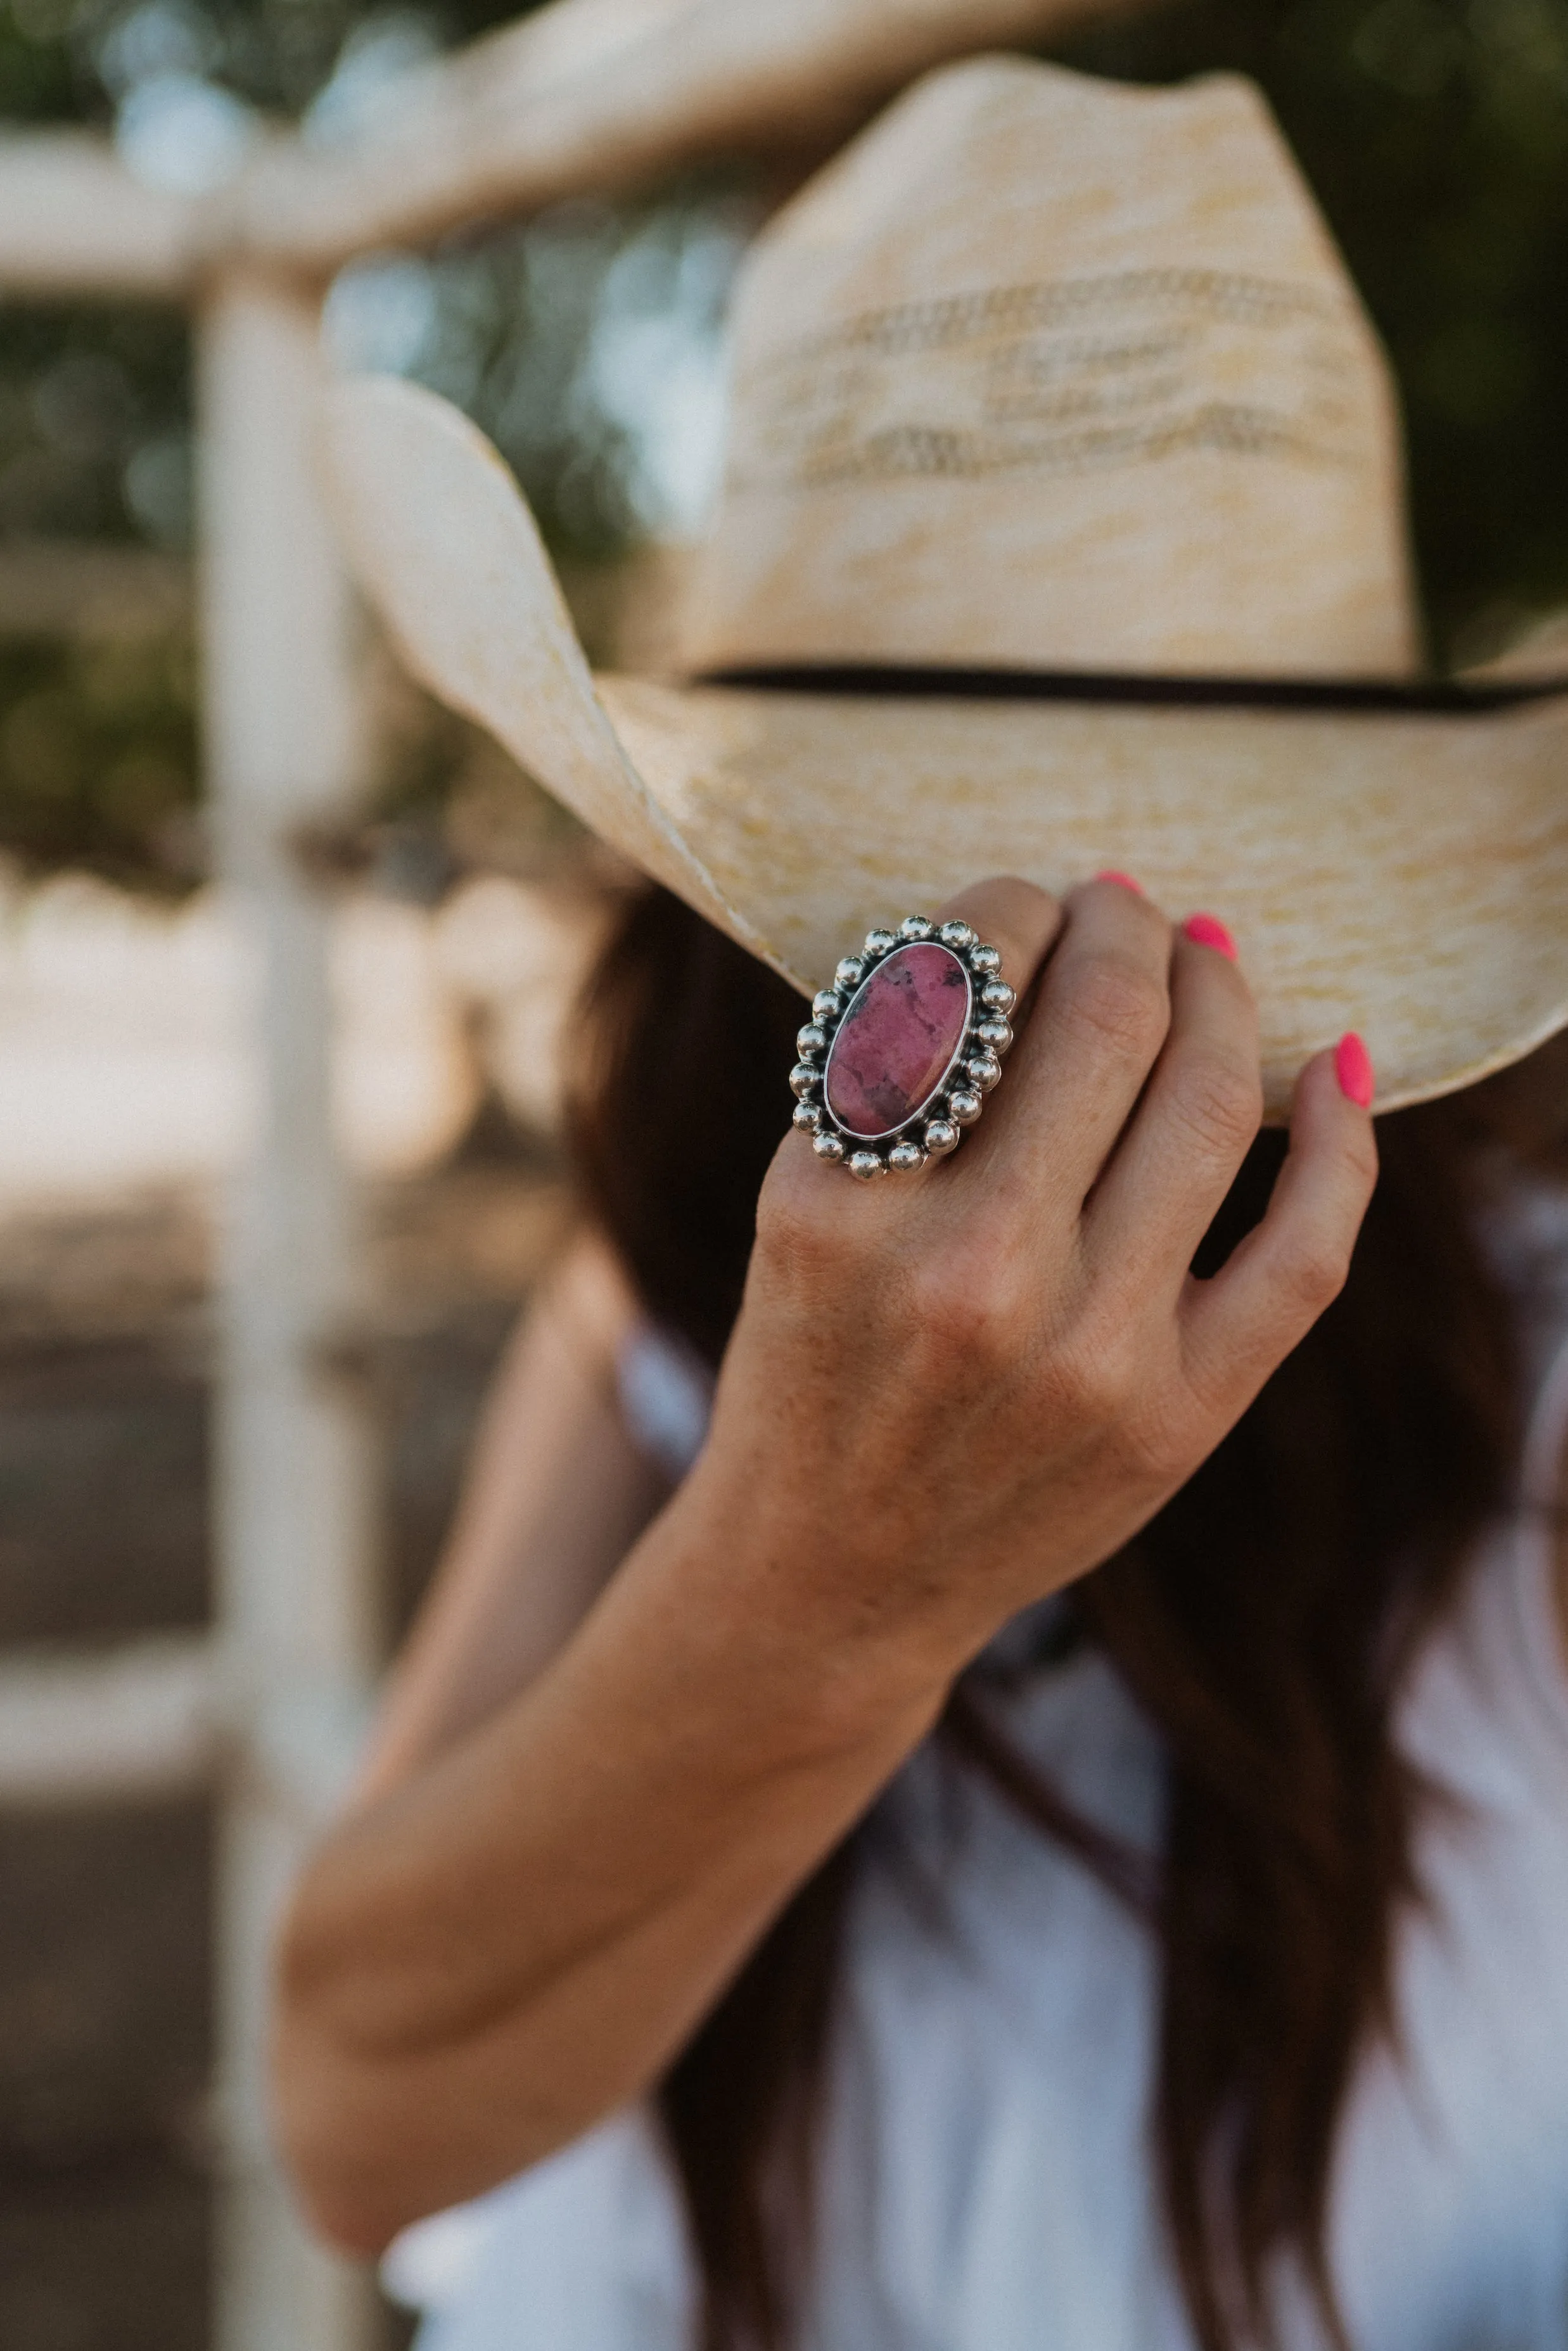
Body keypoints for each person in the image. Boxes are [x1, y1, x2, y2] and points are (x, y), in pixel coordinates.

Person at [277, 56, 1568, 2351]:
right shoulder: (663, 1318)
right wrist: (823, 1573)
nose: (1108, 1011)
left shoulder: (1523, 1391)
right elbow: (358, 2113)